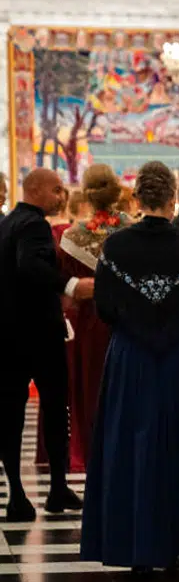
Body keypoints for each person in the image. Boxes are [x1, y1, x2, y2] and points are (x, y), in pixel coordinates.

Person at [79, 162, 179, 578]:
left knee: (130, 449)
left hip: (130, 358)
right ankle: (174, 548)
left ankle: (135, 547)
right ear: (173, 198)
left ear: (137, 199)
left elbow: (104, 307)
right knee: (176, 447)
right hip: (177, 359)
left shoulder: (116, 246)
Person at [0, 168, 91, 521]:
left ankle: (16, 494)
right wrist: (70, 286)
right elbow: (30, 266)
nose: (62, 195)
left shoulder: (7, 223)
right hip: (39, 334)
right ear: (35, 190)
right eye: (56, 189)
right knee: (55, 408)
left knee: (10, 413)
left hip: (7, 337)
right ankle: (56, 488)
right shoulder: (35, 225)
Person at [54, 164, 129, 473]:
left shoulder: (73, 236)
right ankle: (123, 452)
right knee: (124, 390)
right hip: (127, 322)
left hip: (89, 322)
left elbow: (64, 287)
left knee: (90, 387)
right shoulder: (132, 230)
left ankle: (90, 453)